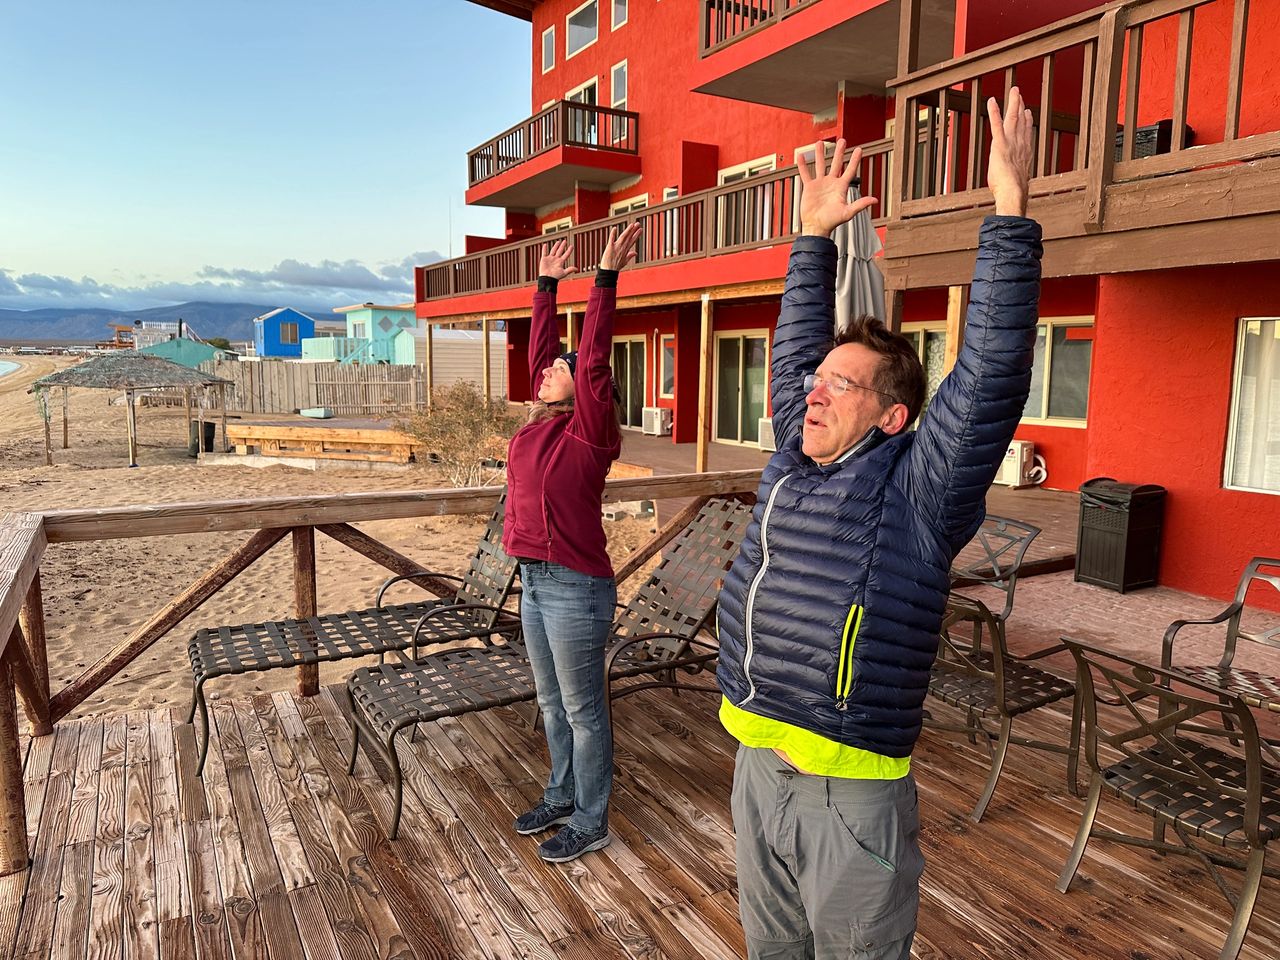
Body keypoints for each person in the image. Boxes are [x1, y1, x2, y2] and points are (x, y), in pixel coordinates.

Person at [715, 89, 1041, 958]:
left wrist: (1010, 214)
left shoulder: (920, 492)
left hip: (848, 791)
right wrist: (813, 238)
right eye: (816, 380)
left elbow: (994, 369)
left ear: (892, 416)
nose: (811, 390)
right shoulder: (795, 451)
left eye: (841, 384)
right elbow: (792, 345)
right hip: (756, 764)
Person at [502, 223, 643, 863]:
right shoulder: (537, 426)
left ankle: (592, 818)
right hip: (533, 581)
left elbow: (587, 360)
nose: (548, 372)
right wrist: (546, 285)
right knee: (551, 702)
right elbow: (543, 356)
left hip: (575, 589)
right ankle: (561, 792)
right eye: (549, 368)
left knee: (585, 713)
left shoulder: (588, 437)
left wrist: (604, 281)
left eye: (561, 370)